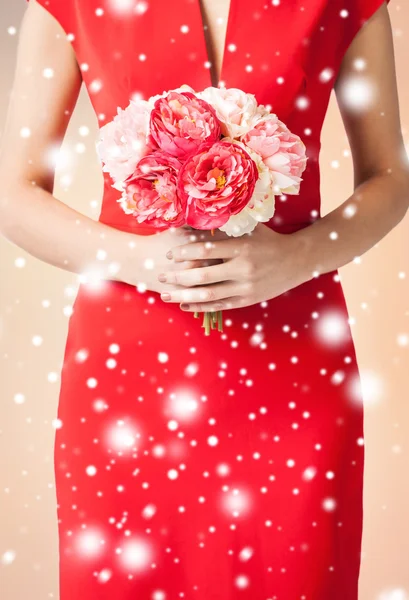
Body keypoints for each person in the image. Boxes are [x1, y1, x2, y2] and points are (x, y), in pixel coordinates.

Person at [0, 0, 408, 598]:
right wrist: (137, 260)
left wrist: (297, 258)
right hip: (131, 367)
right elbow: (13, 190)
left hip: (293, 360)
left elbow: (391, 176)